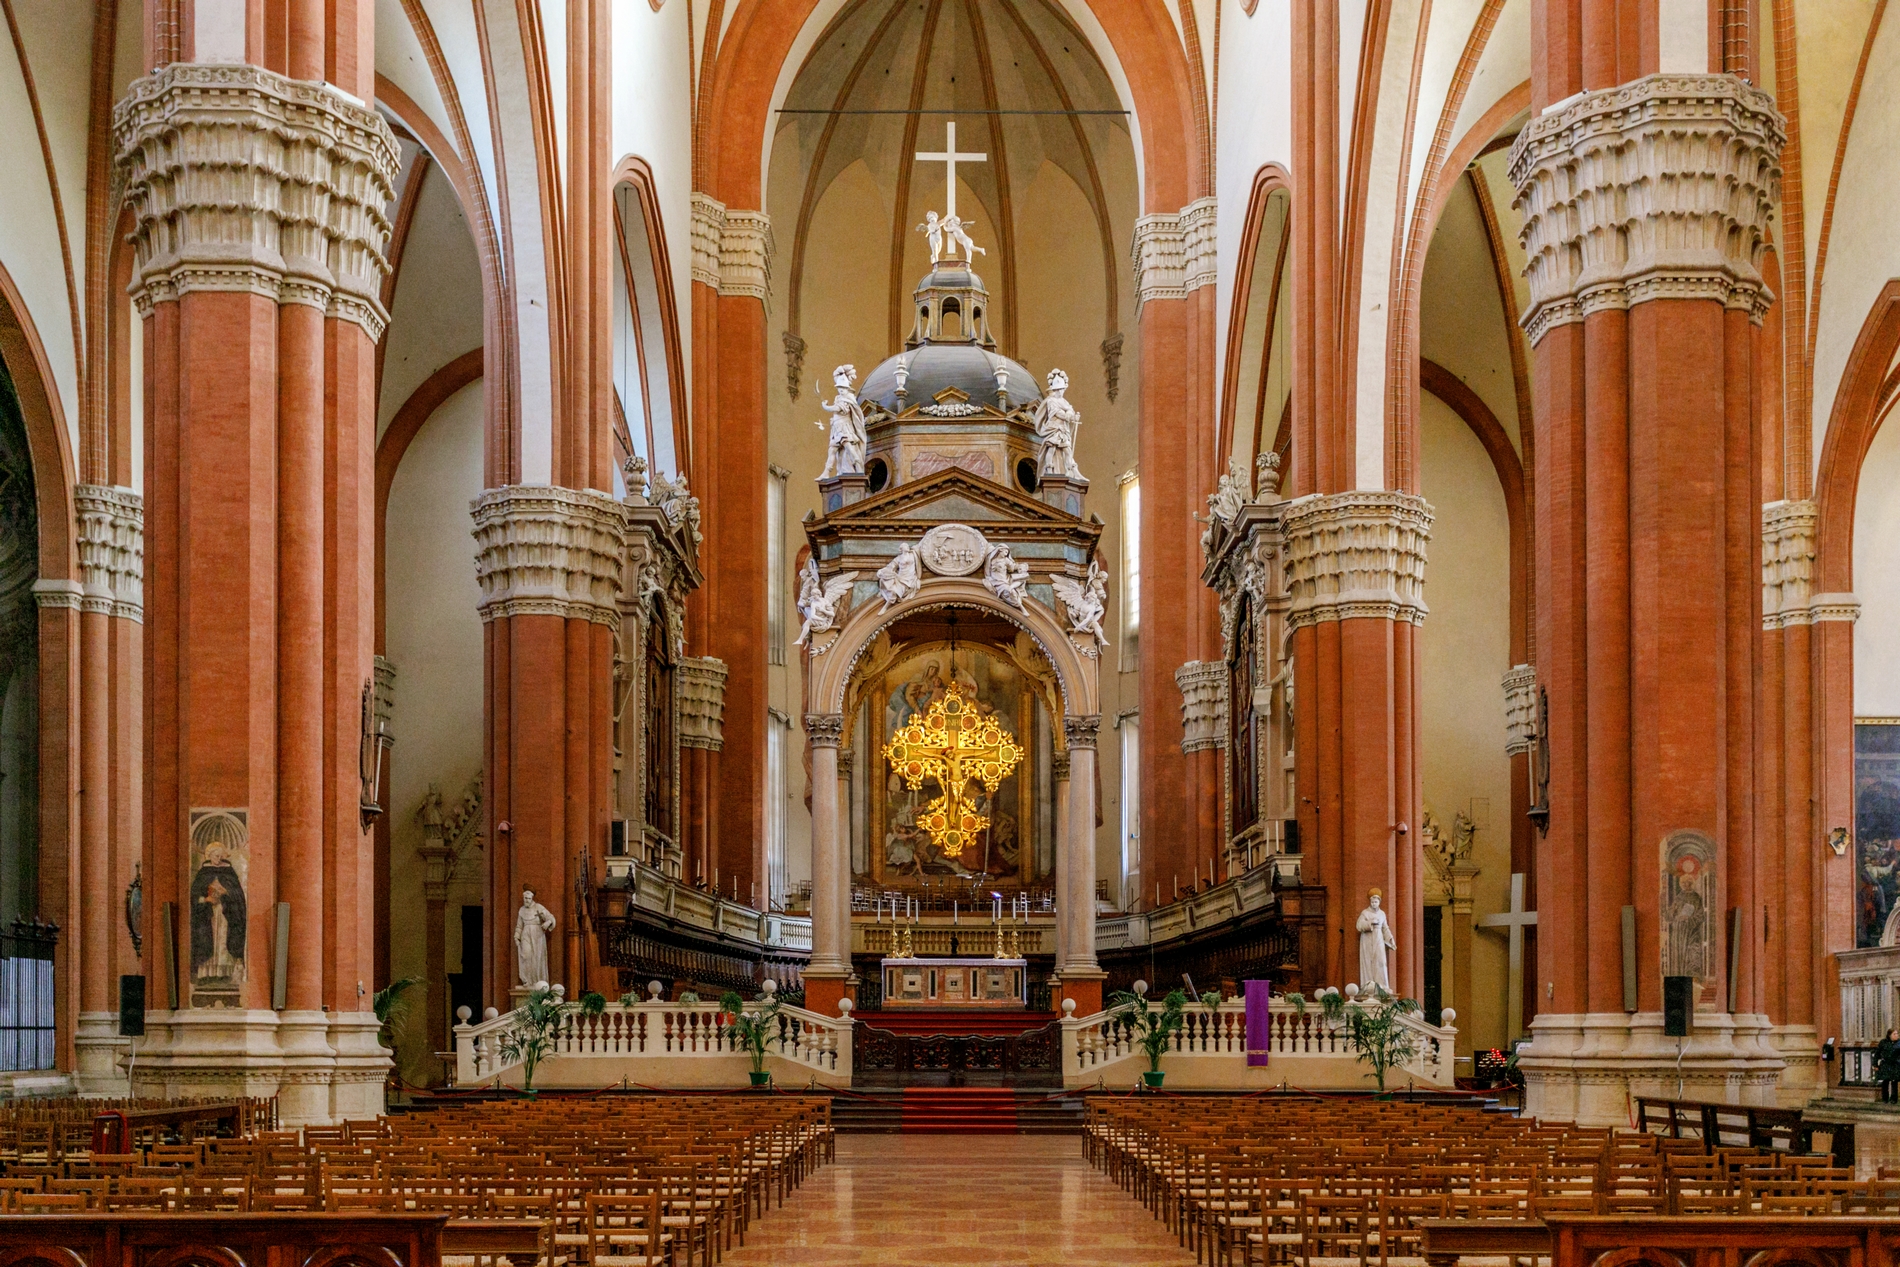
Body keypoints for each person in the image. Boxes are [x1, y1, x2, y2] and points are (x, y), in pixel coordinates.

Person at [1877, 1028, 1900, 1103]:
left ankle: (1894, 1099)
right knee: (1885, 1081)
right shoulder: (1883, 1042)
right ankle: (1885, 1098)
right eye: (1894, 1034)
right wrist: (1875, 1064)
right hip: (1886, 1064)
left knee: (1894, 1081)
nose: (1897, 1035)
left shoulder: (1899, 1043)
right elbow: (1878, 1053)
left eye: (1897, 1034)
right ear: (1889, 1035)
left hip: (1895, 1064)